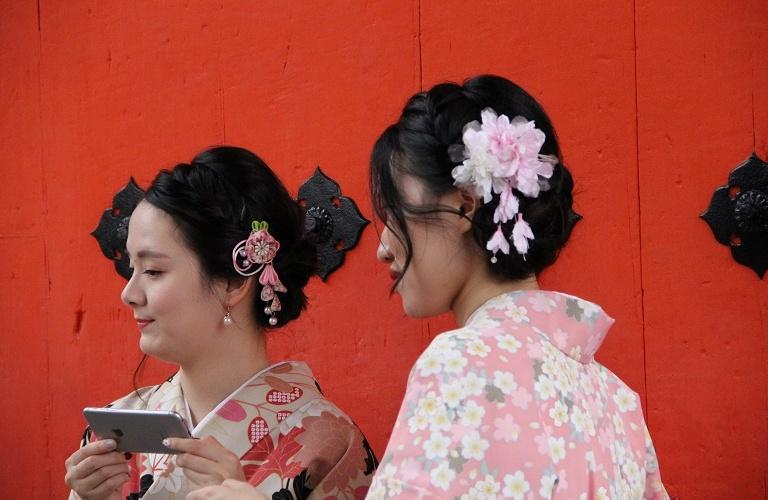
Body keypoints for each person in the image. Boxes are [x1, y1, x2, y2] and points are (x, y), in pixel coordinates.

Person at [189, 75, 669, 500]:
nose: (382, 248)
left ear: (464, 203)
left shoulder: (464, 362)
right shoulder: (613, 397)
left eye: (394, 212)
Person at [65, 146, 377, 500]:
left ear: (233, 283)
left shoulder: (327, 445)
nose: (129, 294)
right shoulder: (115, 431)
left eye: (153, 271)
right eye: (131, 269)